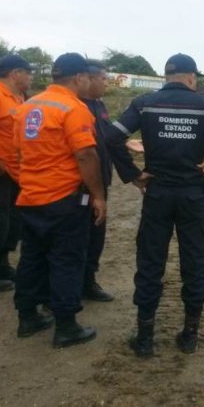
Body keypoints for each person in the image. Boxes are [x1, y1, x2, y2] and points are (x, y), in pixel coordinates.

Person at [105, 53, 204, 358]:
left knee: (150, 264)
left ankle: (145, 339)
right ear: (192, 78)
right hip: (193, 196)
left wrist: (133, 174)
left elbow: (111, 137)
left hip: (157, 194)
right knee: (194, 263)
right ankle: (190, 336)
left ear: (166, 76)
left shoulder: (144, 103)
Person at [13, 53, 106, 348]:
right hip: (64, 199)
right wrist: (98, 196)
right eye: (87, 78)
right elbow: (86, 155)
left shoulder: (26, 106)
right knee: (67, 260)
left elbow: (19, 153)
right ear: (79, 78)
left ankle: (27, 317)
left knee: (32, 257)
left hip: (29, 196)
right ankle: (66, 326)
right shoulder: (74, 109)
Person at [81, 64, 145, 302]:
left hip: (100, 180)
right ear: (87, 79)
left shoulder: (99, 105)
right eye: (103, 78)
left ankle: (88, 282)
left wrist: (127, 143)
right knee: (76, 239)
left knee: (96, 235)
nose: (107, 82)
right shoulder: (78, 107)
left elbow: (106, 135)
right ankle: (61, 292)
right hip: (82, 183)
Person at [0, 54, 32, 292]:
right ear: (15, 73)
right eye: (28, 73)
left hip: (17, 173)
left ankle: (1, 263)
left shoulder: (19, 98)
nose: (30, 78)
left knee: (12, 223)